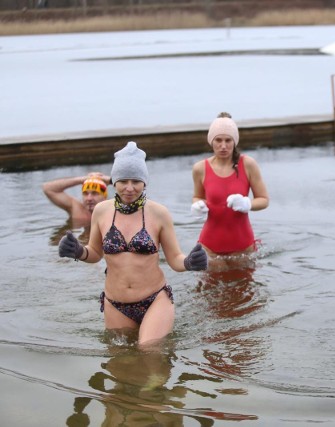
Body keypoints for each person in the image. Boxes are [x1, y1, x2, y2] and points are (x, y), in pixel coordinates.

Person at [58, 141, 208, 346]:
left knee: (148, 350)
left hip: (155, 299)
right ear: (114, 183)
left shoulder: (159, 213)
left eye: (136, 181)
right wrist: (77, 251)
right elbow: (94, 253)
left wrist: (190, 262)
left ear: (144, 182)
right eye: (123, 181)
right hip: (115, 303)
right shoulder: (102, 211)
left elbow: (174, 259)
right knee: (120, 365)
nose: (129, 188)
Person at [190, 112, 269, 269]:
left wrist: (248, 203)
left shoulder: (248, 164)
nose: (223, 146)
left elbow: (264, 200)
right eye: (218, 140)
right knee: (209, 292)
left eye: (228, 140)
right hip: (209, 246)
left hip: (242, 246)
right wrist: (198, 205)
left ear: (235, 142)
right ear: (211, 141)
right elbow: (197, 196)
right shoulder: (200, 168)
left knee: (243, 292)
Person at [42, 172, 110, 226]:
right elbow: (47, 188)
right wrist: (83, 179)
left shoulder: (112, 210)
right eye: (85, 194)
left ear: (104, 197)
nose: (89, 198)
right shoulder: (76, 209)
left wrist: (111, 180)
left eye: (94, 193)